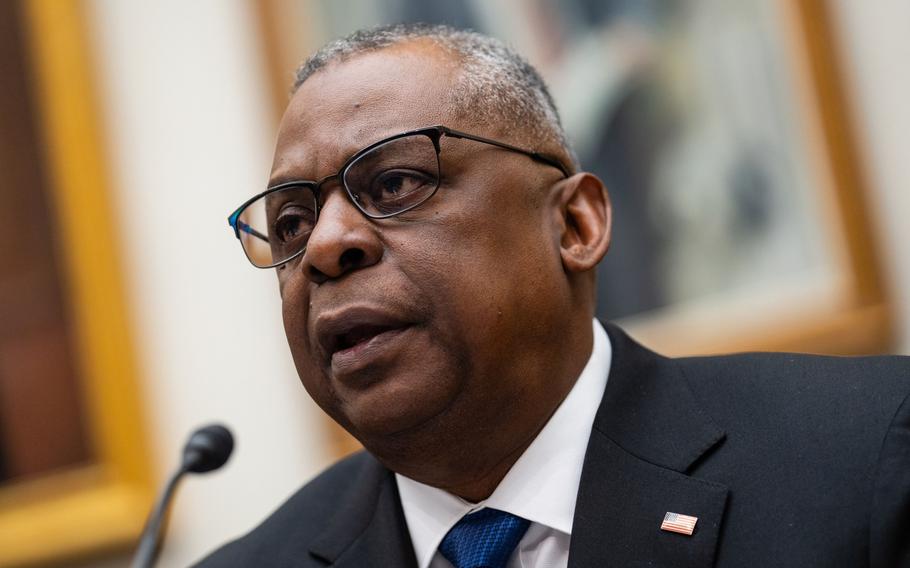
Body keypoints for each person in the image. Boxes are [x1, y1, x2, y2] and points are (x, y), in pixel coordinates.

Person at [198, 23, 910, 568]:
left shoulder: (869, 456)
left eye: (395, 184)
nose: (324, 246)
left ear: (575, 223)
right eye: (291, 222)